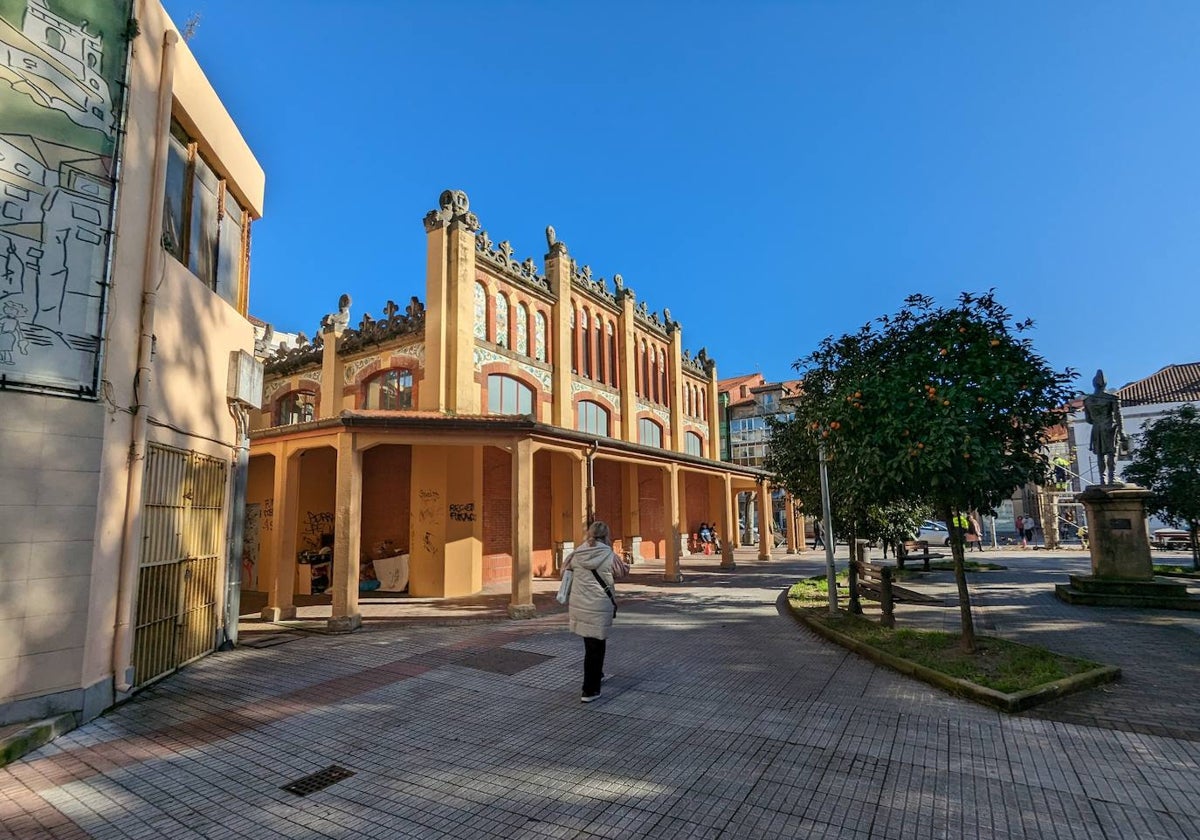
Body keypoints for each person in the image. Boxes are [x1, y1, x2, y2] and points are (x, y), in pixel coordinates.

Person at [563, 520, 626, 703]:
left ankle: (597, 675)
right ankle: (589, 689)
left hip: (580, 604)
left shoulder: (577, 553)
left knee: (590, 644)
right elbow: (622, 572)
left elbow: (564, 571)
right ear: (606, 535)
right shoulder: (609, 555)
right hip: (599, 605)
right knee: (596, 646)